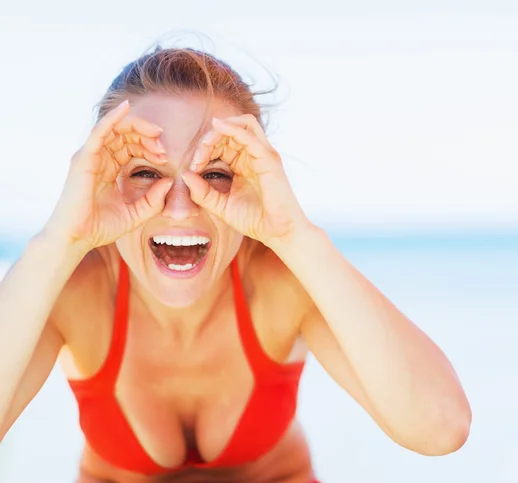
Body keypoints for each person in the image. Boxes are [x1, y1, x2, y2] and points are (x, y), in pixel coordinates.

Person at [0, 45, 471, 483]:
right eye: (146, 173)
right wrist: (59, 239)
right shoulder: (75, 288)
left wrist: (295, 235)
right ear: (102, 182)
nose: (181, 207)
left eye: (216, 174)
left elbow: (439, 429)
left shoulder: (281, 281)